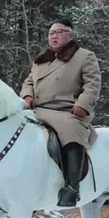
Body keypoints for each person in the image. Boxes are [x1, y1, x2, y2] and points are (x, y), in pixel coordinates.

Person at [20, 19, 102, 207]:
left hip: (67, 111)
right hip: (38, 109)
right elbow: (29, 82)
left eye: (58, 32)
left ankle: (72, 188)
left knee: (71, 130)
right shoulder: (41, 60)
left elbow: (93, 84)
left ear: (70, 36)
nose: (53, 36)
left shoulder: (84, 56)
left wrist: (82, 105)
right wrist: (27, 95)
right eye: (51, 33)